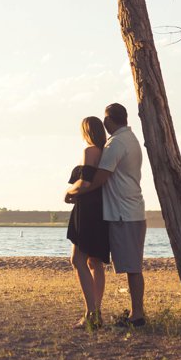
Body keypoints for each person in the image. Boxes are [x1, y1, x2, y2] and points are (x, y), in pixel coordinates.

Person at [65, 102, 146, 328]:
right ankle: (113, 312)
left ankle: (98, 313)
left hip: (103, 210)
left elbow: (94, 180)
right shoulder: (114, 145)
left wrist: (70, 192)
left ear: (109, 121)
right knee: (95, 262)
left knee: (82, 260)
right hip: (108, 210)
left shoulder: (111, 145)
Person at [64, 116, 109, 329]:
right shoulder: (107, 152)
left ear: (86, 131)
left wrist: (68, 192)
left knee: (77, 259)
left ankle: (91, 312)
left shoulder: (90, 151)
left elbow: (85, 182)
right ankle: (95, 311)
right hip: (102, 208)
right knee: (95, 262)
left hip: (87, 208)